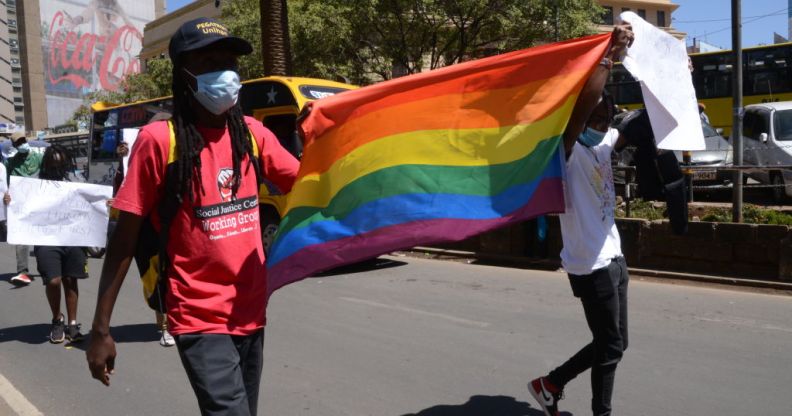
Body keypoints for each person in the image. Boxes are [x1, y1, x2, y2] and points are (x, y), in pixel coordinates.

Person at [86, 18, 299, 416]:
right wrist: (100, 329)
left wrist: (331, 132)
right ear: (183, 74)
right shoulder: (159, 142)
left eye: (230, 62)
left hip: (251, 311)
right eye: (209, 61)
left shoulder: (253, 134)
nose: (225, 72)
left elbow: (310, 183)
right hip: (198, 315)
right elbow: (124, 239)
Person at [528, 25, 634, 416]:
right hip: (588, 263)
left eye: (608, 113)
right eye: (597, 112)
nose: (604, 117)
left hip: (614, 259)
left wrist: (675, 79)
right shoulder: (566, 151)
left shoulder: (604, 144)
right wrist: (610, 56)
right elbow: (587, 100)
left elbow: (644, 121)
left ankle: (550, 383)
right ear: (582, 115)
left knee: (616, 343)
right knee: (609, 345)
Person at [7, 145, 88, 343]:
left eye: (60, 165)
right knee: (53, 280)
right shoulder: (33, 182)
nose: (57, 169)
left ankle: (72, 323)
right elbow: (20, 202)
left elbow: (89, 203)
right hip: (46, 240)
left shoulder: (76, 181)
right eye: (53, 166)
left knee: (71, 280)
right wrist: (10, 200)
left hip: (72, 238)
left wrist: (103, 204)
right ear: (46, 165)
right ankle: (57, 319)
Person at [110, 138, 175, 347]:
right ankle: (164, 327)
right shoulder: (135, 168)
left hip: (175, 227)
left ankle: (181, 322)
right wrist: (122, 162)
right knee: (157, 279)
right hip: (149, 232)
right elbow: (124, 191)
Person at [3, 132, 43, 286]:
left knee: (42, 239)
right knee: (21, 239)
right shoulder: (10, 164)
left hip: (39, 205)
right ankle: (22, 272)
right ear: (14, 146)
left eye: (23, 141)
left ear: (27, 141)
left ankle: (47, 268)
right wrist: (6, 196)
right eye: (18, 143)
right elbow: (5, 186)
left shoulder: (39, 159)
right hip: (20, 207)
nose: (22, 144)